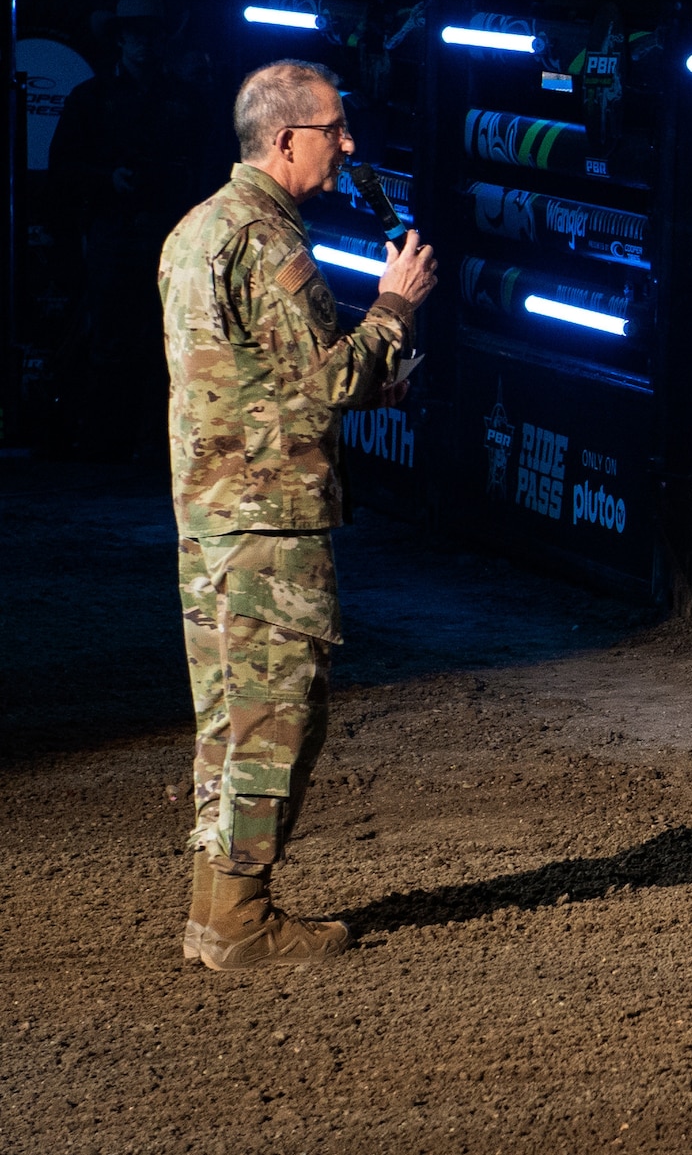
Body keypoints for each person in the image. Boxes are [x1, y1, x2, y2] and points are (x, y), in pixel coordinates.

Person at [163, 60, 438, 970]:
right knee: (279, 712)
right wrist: (394, 308)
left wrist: (363, 375)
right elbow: (330, 377)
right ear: (287, 140)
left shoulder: (192, 232)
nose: (349, 143)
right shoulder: (266, 242)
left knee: (227, 716)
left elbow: (250, 382)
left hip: (211, 516)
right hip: (268, 518)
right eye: (335, 128)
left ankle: (216, 906)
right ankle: (242, 916)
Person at [48, 0, 209, 460]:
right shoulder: (91, 98)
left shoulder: (188, 99)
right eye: (134, 34)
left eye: (151, 34)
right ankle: (108, 444)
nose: (143, 43)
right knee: (112, 337)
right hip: (115, 233)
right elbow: (63, 169)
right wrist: (107, 181)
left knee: (170, 336)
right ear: (119, 39)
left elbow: (206, 163)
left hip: (171, 233)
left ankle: (158, 445)